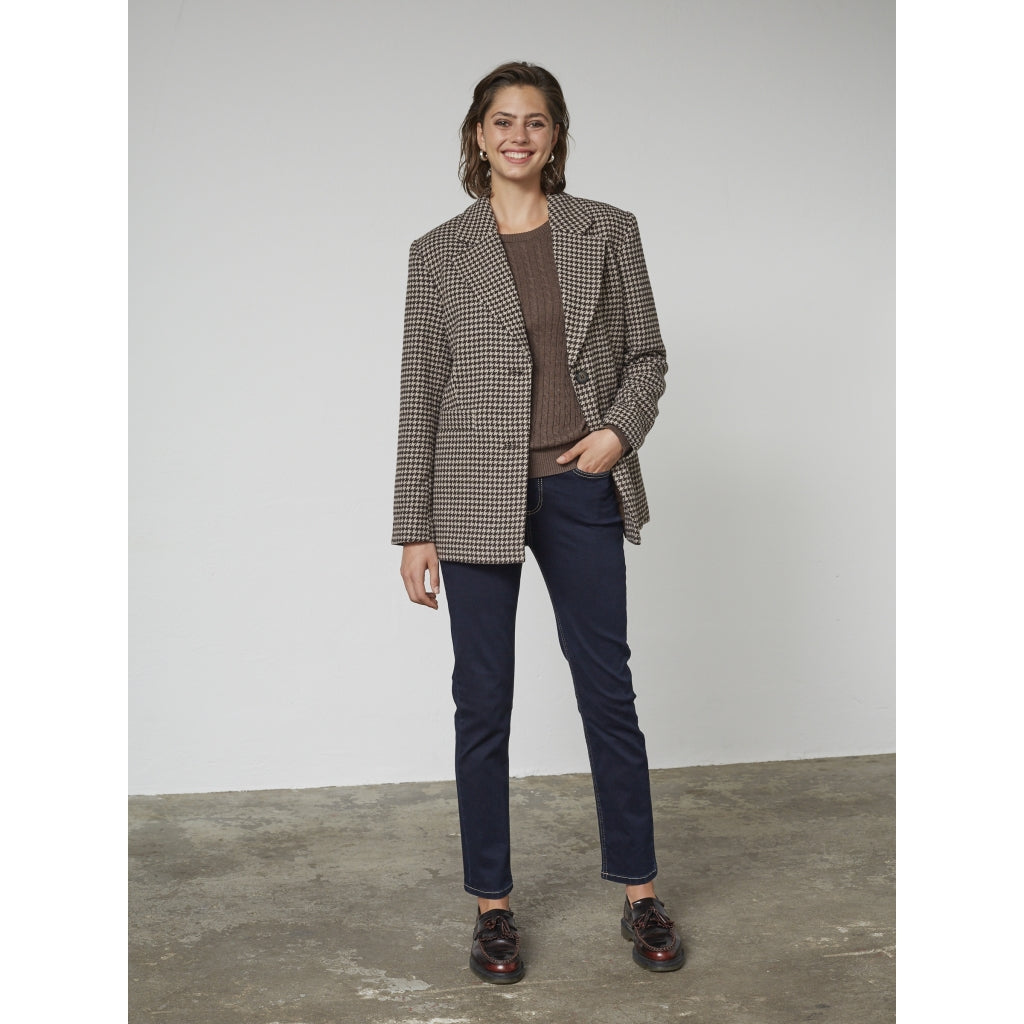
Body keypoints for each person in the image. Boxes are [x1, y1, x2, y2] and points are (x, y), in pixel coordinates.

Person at [392, 61, 682, 984]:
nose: (519, 135)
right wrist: (414, 526)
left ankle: (640, 893)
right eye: (503, 121)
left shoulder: (608, 230)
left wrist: (616, 432)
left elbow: (647, 355)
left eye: (537, 121)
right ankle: (493, 908)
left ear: (556, 136)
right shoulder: (438, 253)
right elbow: (420, 392)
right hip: (471, 492)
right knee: (482, 700)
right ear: (478, 136)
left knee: (608, 692)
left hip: (579, 484)